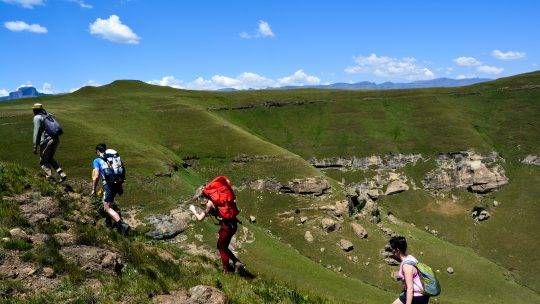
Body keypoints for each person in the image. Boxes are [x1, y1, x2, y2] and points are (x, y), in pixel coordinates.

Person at [189, 176, 244, 273]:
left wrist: (193, 210)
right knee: (223, 246)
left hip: (226, 227)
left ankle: (226, 270)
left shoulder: (210, 204)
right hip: (233, 225)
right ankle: (236, 263)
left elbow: (200, 218)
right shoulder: (219, 201)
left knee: (221, 247)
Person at [91, 143, 130, 235]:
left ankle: (121, 225)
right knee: (110, 203)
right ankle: (109, 224)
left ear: (97, 151)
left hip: (109, 185)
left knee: (107, 207)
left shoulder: (97, 160)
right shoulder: (112, 159)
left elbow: (96, 176)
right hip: (117, 184)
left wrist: (93, 189)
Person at [32, 103, 67, 182]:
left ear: (34, 110)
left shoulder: (37, 117)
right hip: (55, 139)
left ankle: (50, 179)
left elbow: (36, 132)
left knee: (43, 161)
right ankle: (61, 174)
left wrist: (35, 146)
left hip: (46, 141)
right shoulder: (48, 115)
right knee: (50, 158)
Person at [390, 236, 430, 304]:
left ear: (397, 250)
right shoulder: (410, 258)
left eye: (393, 250)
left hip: (416, 296)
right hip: (421, 294)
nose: (392, 252)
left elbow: (410, 288)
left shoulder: (407, 266)